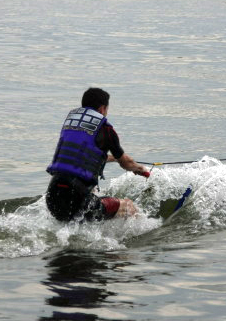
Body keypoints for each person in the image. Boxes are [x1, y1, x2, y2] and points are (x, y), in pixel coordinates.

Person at [45, 88, 150, 222]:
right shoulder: (106, 130)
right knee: (128, 206)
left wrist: (114, 160)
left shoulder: (71, 124)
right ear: (102, 109)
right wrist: (140, 169)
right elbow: (126, 163)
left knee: (92, 196)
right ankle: (143, 236)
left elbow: (86, 157)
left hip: (53, 197)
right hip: (78, 197)